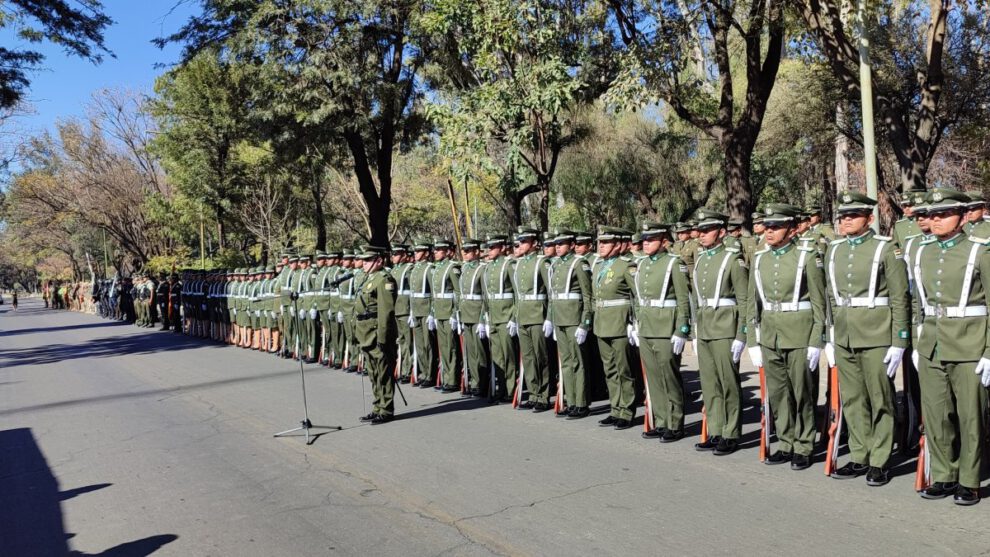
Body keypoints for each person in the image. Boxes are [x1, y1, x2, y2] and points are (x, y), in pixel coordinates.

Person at [824, 191, 910, 486]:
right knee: (853, 398)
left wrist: (899, 341)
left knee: (880, 398)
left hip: (876, 334)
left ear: (869, 218)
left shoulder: (886, 249)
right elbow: (831, 298)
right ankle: (860, 454)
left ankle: (880, 459)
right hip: (845, 335)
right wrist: (831, 334)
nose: (845, 221)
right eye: (842, 216)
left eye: (852, 215)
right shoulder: (833, 250)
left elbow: (900, 298)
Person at [912, 188, 990, 505]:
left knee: (971, 415)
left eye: (943, 214)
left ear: (960, 217)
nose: (936, 220)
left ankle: (969, 480)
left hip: (970, 342)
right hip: (932, 342)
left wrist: (989, 351)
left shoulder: (980, 251)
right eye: (932, 215)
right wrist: (919, 341)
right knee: (936, 414)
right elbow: (919, 302)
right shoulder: (921, 252)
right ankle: (943, 475)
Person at [746, 203, 827, 470]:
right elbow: (751, 302)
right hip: (770, 334)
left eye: (776, 227)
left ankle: (804, 443)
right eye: (767, 227)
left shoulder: (806, 256)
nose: (769, 231)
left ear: (791, 229)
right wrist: (752, 340)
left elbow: (819, 303)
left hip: (799, 332)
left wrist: (817, 340)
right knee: (779, 392)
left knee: (802, 391)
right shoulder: (759, 259)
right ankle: (786, 441)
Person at [690, 211, 749, 455]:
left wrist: (742, 335)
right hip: (705, 326)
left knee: (728, 383)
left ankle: (731, 432)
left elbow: (744, 299)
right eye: (700, 231)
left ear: (721, 232)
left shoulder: (733, 260)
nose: (701, 235)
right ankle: (715, 429)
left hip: (725, 326)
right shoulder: (702, 259)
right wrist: (695, 331)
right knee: (710, 383)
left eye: (707, 231)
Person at [592, 226, 639, 430]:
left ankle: (627, 411)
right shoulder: (598, 265)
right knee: (609, 369)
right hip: (602, 323)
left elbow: (637, 296)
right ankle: (615, 407)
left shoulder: (626, 266)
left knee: (624, 369)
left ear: (618, 244)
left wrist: (634, 322)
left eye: (606, 243)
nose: (601, 246)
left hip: (620, 323)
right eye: (600, 243)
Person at [547, 229, 593, 419]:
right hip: (560, 319)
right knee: (566, 363)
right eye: (556, 244)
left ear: (572, 245)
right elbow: (552, 297)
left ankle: (581, 403)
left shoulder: (579, 263)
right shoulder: (556, 265)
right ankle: (571, 401)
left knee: (577, 361)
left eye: (562, 243)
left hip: (574, 318)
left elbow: (588, 296)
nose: (557, 247)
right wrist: (551, 319)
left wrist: (585, 323)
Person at [355, 246, 399, 425]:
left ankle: (386, 409)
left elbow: (385, 312)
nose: (364, 263)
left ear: (379, 261)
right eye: (363, 260)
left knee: (383, 372)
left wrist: (383, 337)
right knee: (373, 372)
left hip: (376, 332)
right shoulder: (368, 279)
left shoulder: (384, 280)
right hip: (365, 331)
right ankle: (377, 407)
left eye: (368, 260)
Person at [512, 227, 552, 410]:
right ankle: (534, 393)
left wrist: (549, 317)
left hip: (537, 314)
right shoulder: (518, 263)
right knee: (528, 357)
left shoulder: (542, 262)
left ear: (534, 243)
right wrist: (514, 317)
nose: (521, 244)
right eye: (520, 241)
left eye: (525, 241)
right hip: (522, 315)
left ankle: (543, 396)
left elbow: (551, 293)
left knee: (540, 356)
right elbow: (516, 295)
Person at [481, 234, 518, 402]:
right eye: (488, 247)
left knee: (508, 356)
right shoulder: (488, 268)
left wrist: (514, 317)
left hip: (506, 315)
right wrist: (485, 318)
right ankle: (500, 388)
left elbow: (518, 294)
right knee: (497, 357)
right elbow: (485, 296)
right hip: (494, 317)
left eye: (493, 247)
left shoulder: (509, 265)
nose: (489, 250)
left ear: (502, 248)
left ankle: (510, 390)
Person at [457, 238, 489, 396]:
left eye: (468, 251)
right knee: (469, 351)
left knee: (479, 352)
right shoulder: (464, 269)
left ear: (477, 252)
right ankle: (474, 381)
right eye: (464, 250)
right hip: (466, 314)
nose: (465, 253)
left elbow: (485, 296)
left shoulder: (482, 269)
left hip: (477, 314)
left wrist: (483, 319)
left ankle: (482, 383)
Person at [430, 239, 462, 391]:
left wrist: (455, 313)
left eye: (439, 249)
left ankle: (453, 380)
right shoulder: (437, 268)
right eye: (435, 249)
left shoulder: (452, 267)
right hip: (439, 311)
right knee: (443, 347)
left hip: (449, 312)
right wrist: (433, 312)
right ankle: (446, 378)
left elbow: (457, 292)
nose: (435, 252)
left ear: (447, 251)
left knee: (451, 347)